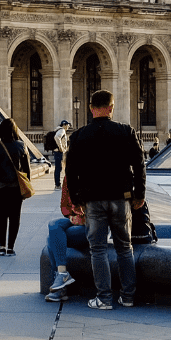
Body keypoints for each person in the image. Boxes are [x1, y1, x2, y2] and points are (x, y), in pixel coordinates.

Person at [65, 89, 144, 310]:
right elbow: (139, 165)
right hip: (121, 198)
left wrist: (75, 198)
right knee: (124, 248)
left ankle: (104, 298)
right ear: (111, 108)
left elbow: (71, 172)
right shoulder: (125, 132)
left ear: (91, 109)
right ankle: (128, 297)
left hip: (93, 200)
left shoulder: (79, 136)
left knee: (97, 249)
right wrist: (140, 194)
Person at [0, 119, 31, 256]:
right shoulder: (21, 146)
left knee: (1, 216)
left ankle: (2, 246)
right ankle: (11, 247)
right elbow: (27, 170)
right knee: (15, 217)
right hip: (16, 188)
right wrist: (26, 186)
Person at [44, 170, 87, 301]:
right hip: (74, 220)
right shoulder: (69, 177)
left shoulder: (91, 173)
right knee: (54, 225)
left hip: (92, 224)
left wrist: (83, 217)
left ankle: (60, 288)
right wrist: (72, 216)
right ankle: (62, 274)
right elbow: (64, 206)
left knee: (51, 239)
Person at [45, 119, 70, 190]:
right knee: (59, 168)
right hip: (59, 152)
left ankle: (58, 184)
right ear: (64, 125)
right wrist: (61, 148)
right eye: (68, 125)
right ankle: (58, 184)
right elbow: (57, 137)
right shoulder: (62, 130)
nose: (68, 126)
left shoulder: (59, 130)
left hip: (57, 151)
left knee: (58, 168)